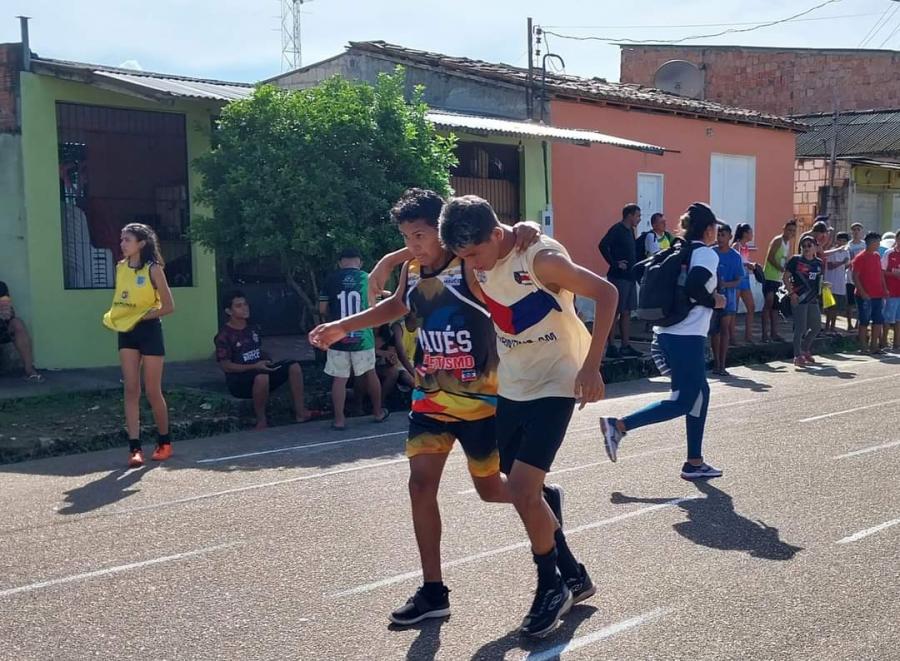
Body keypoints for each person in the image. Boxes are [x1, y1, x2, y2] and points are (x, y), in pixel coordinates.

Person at [309, 190, 570, 629]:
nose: (414, 244)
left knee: (495, 492)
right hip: (430, 397)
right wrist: (342, 326)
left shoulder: (471, 264)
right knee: (419, 486)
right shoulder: (412, 268)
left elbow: (500, 240)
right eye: (406, 237)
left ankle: (543, 510)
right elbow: (397, 306)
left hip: (484, 401)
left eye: (420, 235)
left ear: (443, 232)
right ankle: (433, 592)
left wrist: (530, 227)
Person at [440, 195, 617, 638]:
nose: (471, 265)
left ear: (496, 235)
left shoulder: (543, 260)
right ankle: (574, 574)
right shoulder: (476, 254)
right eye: (464, 257)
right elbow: (438, 250)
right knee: (524, 490)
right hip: (513, 386)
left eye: (475, 253)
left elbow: (607, 293)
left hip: (557, 383)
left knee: (520, 488)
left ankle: (550, 587)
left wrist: (591, 366)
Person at [600, 203, 726, 480]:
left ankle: (694, 462)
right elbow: (695, 286)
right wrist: (714, 300)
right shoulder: (705, 254)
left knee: (700, 394)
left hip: (666, 334)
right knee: (684, 401)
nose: (717, 231)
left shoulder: (678, 248)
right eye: (716, 227)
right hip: (686, 339)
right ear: (708, 229)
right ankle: (619, 425)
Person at [102, 223, 174, 468]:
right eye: (121, 239)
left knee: (153, 390)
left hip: (149, 330)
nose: (122, 244)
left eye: (127, 240)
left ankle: (164, 442)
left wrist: (141, 317)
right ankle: (134, 448)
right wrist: (116, 317)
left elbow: (168, 306)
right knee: (131, 388)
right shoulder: (120, 267)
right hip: (127, 333)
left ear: (141, 244)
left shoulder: (154, 269)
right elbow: (122, 301)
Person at [214, 291, 318, 430]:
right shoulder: (224, 335)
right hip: (240, 380)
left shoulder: (253, 328)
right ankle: (261, 420)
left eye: (245, 304)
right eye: (239, 306)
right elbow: (226, 366)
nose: (245, 308)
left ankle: (301, 413)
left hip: (260, 368)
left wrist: (266, 360)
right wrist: (254, 366)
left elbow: (258, 351)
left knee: (293, 366)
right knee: (261, 377)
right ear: (228, 311)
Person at [319, 248, 387, 430]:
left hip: (338, 335)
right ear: (360, 262)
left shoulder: (331, 279)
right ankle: (378, 412)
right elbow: (377, 308)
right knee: (370, 373)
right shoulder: (368, 278)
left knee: (339, 379)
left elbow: (322, 309)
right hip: (363, 336)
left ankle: (339, 420)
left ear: (340, 262)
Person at [598, 203, 643, 358]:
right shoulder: (617, 229)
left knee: (627, 311)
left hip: (630, 277)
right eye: (637, 215)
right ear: (629, 215)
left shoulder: (631, 230)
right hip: (618, 278)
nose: (639, 219)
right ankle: (611, 345)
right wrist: (614, 263)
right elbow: (603, 245)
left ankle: (625, 345)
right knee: (615, 311)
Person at [784, 235, 823, 367]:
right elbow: (785, 277)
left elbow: (818, 281)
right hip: (798, 298)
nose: (806, 248)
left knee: (817, 326)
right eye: (803, 246)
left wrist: (824, 288)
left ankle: (805, 349)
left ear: (815, 247)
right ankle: (797, 355)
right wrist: (791, 293)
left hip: (812, 299)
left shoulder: (818, 263)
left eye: (809, 245)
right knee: (800, 328)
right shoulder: (796, 260)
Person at [711, 223, 743, 376]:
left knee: (724, 330)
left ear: (730, 237)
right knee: (714, 331)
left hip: (728, 299)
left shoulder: (735, 257)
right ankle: (715, 363)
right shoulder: (711, 253)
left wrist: (725, 284)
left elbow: (738, 281)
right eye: (718, 235)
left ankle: (722, 364)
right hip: (711, 299)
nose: (720, 238)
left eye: (723, 235)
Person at [851, 232, 888, 354]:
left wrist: (884, 288)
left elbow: (880, 273)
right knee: (864, 320)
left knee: (878, 320)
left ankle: (874, 346)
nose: (878, 244)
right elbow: (855, 276)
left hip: (878, 294)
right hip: (865, 296)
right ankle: (863, 346)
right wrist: (862, 292)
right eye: (877, 242)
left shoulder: (877, 256)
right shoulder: (860, 257)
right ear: (871, 243)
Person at [761, 220, 797, 343]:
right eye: (789, 230)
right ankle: (764, 334)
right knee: (768, 303)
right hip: (769, 277)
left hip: (779, 279)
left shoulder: (788, 244)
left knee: (776, 307)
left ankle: (774, 333)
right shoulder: (778, 240)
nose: (790, 233)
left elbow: (786, 260)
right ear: (784, 229)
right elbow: (770, 257)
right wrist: (780, 268)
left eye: (793, 231)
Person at [0, 280, 43, 382]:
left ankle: (29, 371)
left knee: (17, 323)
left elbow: (8, 313)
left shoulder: (1, 286)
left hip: (2, 327)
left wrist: (5, 312)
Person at [374, 323, 414, 407]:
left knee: (393, 372)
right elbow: (362, 351)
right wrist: (379, 352)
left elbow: (391, 355)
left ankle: (380, 403)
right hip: (362, 364)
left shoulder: (388, 334)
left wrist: (392, 359)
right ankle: (358, 406)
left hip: (379, 365)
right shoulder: (363, 332)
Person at [732, 223, 758, 344]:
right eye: (750, 232)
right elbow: (735, 263)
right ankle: (731, 337)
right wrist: (747, 264)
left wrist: (751, 265)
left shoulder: (746, 247)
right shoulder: (736, 246)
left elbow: (744, 261)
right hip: (737, 280)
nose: (752, 234)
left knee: (751, 306)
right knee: (734, 309)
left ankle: (748, 336)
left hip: (745, 279)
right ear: (745, 233)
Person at [824, 232, 850, 334]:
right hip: (830, 283)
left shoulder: (846, 252)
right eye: (840, 240)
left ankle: (832, 327)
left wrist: (844, 264)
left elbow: (846, 266)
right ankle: (826, 327)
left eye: (844, 241)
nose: (842, 243)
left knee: (836, 308)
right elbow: (830, 266)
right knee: (829, 307)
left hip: (840, 283)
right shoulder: (832, 251)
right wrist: (842, 262)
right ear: (837, 240)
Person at [845, 222, 867, 330]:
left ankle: (859, 324)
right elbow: (846, 261)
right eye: (854, 229)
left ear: (861, 231)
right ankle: (849, 324)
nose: (856, 231)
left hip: (862, 277)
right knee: (850, 303)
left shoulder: (865, 245)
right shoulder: (848, 245)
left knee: (861, 302)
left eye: (858, 229)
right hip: (850, 277)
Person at [881, 235, 900, 352]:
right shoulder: (889, 253)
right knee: (888, 319)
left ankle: (897, 344)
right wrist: (893, 275)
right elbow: (882, 271)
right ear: (897, 239)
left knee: (899, 320)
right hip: (891, 292)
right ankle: (883, 343)